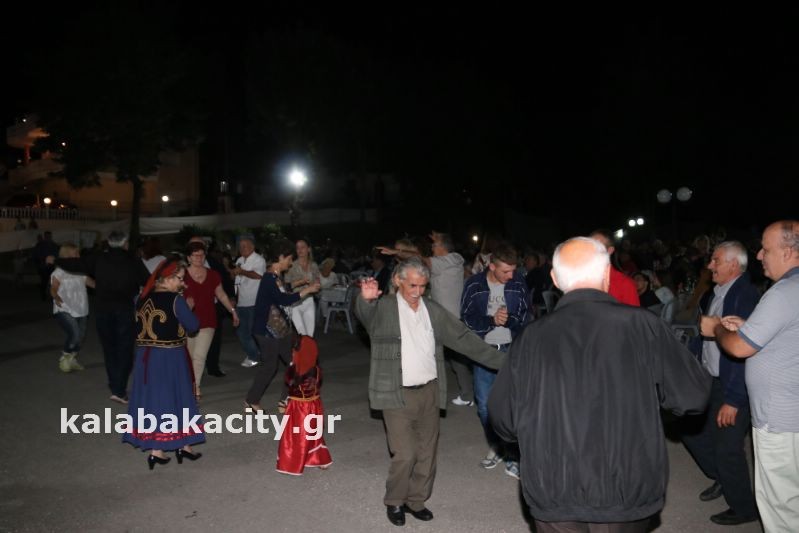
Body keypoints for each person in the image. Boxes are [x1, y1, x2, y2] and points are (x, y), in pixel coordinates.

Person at [488, 236, 711, 532]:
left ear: (554, 278)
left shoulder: (531, 337)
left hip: (554, 487)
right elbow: (692, 396)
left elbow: (502, 417)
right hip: (627, 487)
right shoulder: (644, 325)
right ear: (607, 274)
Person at [354, 257, 507, 526]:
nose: (417, 291)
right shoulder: (384, 308)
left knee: (427, 452)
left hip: (430, 390)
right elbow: (365, 315)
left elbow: (463, 339)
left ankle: (416, 500)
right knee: (405, 453)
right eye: (412, 285)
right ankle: (395, 500)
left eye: (423, 286)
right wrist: (365, 300)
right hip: (396, 393)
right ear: (398, 281)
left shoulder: (432, 310)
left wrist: (507, 363)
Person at [702, 220, 799, 532]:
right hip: (790, 413)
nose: (758, 256)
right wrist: (749, 328)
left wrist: (717, 328)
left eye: (765, 250)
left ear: (788, 252)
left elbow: (739, 348)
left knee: (781, 506)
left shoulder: (783, 292)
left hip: (780, 419)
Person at [682, 241, 759, 526]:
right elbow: (705, 338)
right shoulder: (716, 293)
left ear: (733, 264)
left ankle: (744, 508)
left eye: (715, 260)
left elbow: (744, 351)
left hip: (732, 385)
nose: (709, 265)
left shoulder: (745, 296)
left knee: (728, 448)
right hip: (710, 379)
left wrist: (734, 400)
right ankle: (722, 478)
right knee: (690, 430)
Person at [122, 259, 204, 470]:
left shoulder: (140, 298)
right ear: (167, 279)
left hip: (145, 357)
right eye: (180, 279)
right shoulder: (176, 300)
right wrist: (189, 308)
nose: (183, 283)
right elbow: (193, 326)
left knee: (154, 400)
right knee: (176, 399)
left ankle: (163, 450)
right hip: (170, 357)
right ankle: (178, 447)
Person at [54, 230, 150, 404]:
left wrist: (54, 260)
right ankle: (119, 389)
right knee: (125, 350)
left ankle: (115, 387)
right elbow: (147, 281)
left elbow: (76, 264)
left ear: (109, 242)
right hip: (124, 311)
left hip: (103, 311)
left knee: (109, 349)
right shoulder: (132, 260)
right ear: (125, 243)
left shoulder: (98, 258)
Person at [461, 243, 528, 479]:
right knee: (484, 405)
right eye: (505, 271)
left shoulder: (518, 283)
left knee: (511, 404)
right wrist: (491, 320)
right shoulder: (474, 284)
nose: (511, 276)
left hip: (511, 350)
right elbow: (466, 318)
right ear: (492, 266)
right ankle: (497, 446)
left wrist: (509, 319)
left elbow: (525, 316)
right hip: (484, 351)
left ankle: (512, 454)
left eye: (513, 270)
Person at [245, 240, 320, 412]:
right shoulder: (269, 278)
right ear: (280, 257)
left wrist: (296, 283)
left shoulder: (275, 276)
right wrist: (307, 290)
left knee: (294, 363)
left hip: (280, 330)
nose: (290, 262)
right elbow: (282, 299)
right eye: (289, 259)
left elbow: (282, 290)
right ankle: (251, 401)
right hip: (267, 331)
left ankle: (284, 400)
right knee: (270, 366)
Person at [182, 242, 239, 400]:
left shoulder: (213, 275)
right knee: (188, 357)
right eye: (195, 255)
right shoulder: (181, 275)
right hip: (187, 322)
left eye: (201, 255)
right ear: (188, 258)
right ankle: (186, 385)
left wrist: (233, 311)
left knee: (199, 357)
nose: (199, 258)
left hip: (208, 320)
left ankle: (196, 388)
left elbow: (221, 295)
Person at [276, 335, 333, 475]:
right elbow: (318, 384)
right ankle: (318, 458)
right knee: (313, 433)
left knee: (297, 435)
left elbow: (288, 383)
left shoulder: (293, 372)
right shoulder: (317, 370)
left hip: (299, 408)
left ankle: (293, 463)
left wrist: (292, 365)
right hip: (314, 405)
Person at [51, 243, 95, 373]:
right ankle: (65, 357)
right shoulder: (59, 271)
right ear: (67, 255)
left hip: (82, 309)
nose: (79, 256)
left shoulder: (80, 271)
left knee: (80, 337)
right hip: (64, 308)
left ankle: (72, 359)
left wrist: (111, 285)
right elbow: (53, 288)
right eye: (76, 253)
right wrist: (56, 297)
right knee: (74, 333)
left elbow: (93, 284)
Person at [232, 236, 266, 367]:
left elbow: (258, 275)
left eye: (245, 246)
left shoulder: (259, 260)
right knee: (242, 332)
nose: (242, 248)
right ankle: (254, 355)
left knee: (255, 333)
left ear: (252, 246)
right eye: (240, 246)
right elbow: (238, 281)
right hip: (241, 302)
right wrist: (235, 298)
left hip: (254, 302)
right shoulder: (239, 260)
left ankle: (259, 356)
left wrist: (242, 271)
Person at [589, 229, 640, 306]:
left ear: (610, 250)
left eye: (598, 246)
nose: (591, 250)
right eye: (588, 245)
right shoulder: (579, 279)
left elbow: (633, 313)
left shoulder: (625, 284)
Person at [284, 239, 320, 337]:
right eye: (297, 248)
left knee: (310, 335)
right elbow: (286, 286)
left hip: (309, 301)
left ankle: (307, 347)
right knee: (302, 334)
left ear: (309, 249)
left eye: (302, 247)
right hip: (295, 302)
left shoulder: (314, 265)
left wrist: (317, 285)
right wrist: (300, 282)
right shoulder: (291, 265)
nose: (300, 250)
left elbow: (317, 283)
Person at [32, 231, 59, 301]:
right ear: (45, 236)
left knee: (51, 281)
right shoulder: (40, 245)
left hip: (51, 266)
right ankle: (44, 295)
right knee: (44, 281)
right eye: (47, 236)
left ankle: (50, 294)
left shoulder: (53, 245)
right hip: (43, 266)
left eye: (49, 236)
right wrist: (40, 263)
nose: (48, 238)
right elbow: (36, 255)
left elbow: (56, 255)